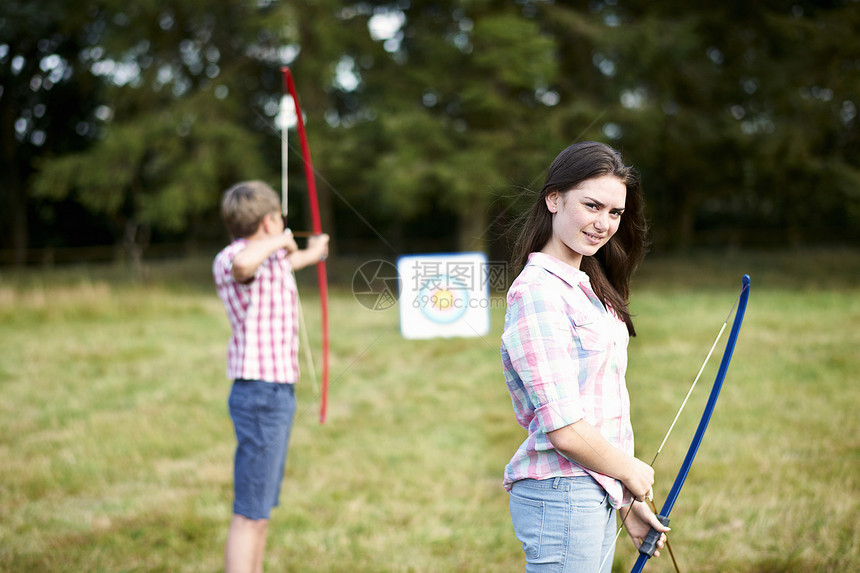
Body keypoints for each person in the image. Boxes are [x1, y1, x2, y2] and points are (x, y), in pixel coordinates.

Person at [500, 141, 669, 572]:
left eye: (614, 213)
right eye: (592, 205)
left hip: (591, 491)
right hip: (562, 495)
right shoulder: (537, 292)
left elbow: (599, 407)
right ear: (554, 199)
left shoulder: (588, 286)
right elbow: (564, 428)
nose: (603, 224)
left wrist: (628, 505)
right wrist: (630, 472)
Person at [213, 180, 329, 573]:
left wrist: (314, 252)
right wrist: (281, 240)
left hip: (275, 394)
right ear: (269, 221)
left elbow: (286, 263)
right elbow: (246, 264)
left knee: (261, 509)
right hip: (260, 393)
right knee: (250, 511)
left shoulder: (271, 260)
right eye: (279, 219)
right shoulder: (233, 257)